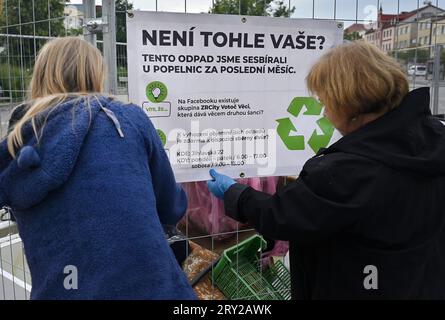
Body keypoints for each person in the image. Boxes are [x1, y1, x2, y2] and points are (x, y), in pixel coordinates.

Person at [207, 41, 445, 299]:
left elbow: (282, 216)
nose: (324, 112)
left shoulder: (346, 171)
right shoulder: (435, 137)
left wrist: (235, 194)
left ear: (347, 102)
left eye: (325, 101)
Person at [0, 37, 196, 300]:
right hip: (151, 287)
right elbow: (172, 207)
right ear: (96, 74)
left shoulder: (17, 141)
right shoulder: (126, 119)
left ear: (39, 75)